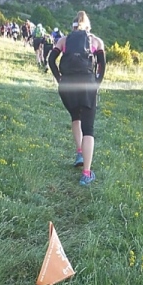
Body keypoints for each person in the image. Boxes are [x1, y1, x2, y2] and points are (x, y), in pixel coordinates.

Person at [48, 11, 106, 186]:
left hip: (67, 86)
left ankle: (79, 152)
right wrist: (96, 83)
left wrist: (59, 78)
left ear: (73, 26)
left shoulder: (63, 40)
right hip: (87, 86)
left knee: (75, 116)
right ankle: (86, 174)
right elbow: (102, 66)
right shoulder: (96, 41)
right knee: (88, 129)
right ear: (88, 27)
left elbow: (51, 60)